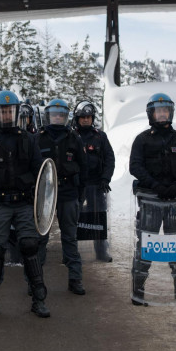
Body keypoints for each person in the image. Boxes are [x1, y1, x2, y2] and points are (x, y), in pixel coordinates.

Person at [0, 90, 49, 318]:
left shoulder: (29, 139)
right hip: (0, 203)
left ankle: (39, 300)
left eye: (10, 111)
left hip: (24, 203)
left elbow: (40, 173)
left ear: (16, 112)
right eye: (3, 111)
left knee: (29, 247)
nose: (7, 114)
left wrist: (39, 202)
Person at [129, 93, 176, 305]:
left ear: (171, 113)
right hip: (150, 199)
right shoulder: (142, 139)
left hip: (175, 201)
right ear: (152, 114)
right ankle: (138, 290)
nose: (162, 114)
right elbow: (135, 166)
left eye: (165, 111)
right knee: (146, 244)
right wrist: (154, 184)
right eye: (159, 111)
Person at [36, 98, 88, 295]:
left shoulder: (74, 139)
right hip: (45, 195)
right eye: (54, 114)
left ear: (67, 117)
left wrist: (79, 195)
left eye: (61, 115)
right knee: (40, 238)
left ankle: (75, 278)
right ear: (47, 116)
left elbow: (83, 170)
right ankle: (35, 280)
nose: (57, 118)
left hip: (68, 193)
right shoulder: (38, 138)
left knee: (70, 237)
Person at [73, 100, 115, 262]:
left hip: (97, 185)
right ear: (77, 118)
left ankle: (101, 252)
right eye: (82, 117)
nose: (85, 120)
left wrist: (105, 178)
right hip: (77, 186)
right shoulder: (71, 136)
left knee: (99, 219)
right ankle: (73, 253)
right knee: (74, 219)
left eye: (88, 117)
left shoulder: (100, 136)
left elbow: (110, 159)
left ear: (92, 118)